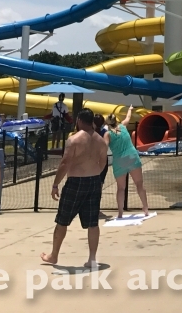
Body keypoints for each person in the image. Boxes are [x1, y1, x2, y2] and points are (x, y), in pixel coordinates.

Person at [41, 107, 107, 267]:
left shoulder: (74, 140)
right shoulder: (101, 140)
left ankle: (54, 255)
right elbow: (103, 163)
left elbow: (65, 163)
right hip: (94, 181)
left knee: (62, 220)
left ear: (78, 120)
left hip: (76, 182)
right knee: (92, 223)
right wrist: (94, 173)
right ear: (91, 121)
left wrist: (56, 184)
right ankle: (92, 259)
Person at [105, 107, 149, 219]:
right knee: (139, 184)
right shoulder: (123, 126)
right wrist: (130, 109)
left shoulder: (108, 134)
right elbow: (128, 117)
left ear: (108, 123)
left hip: (119, 160)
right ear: (116, 120)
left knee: (121, 188)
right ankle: (145, 208)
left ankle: (120, 213)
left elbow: (104, 147)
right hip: (132, 156)